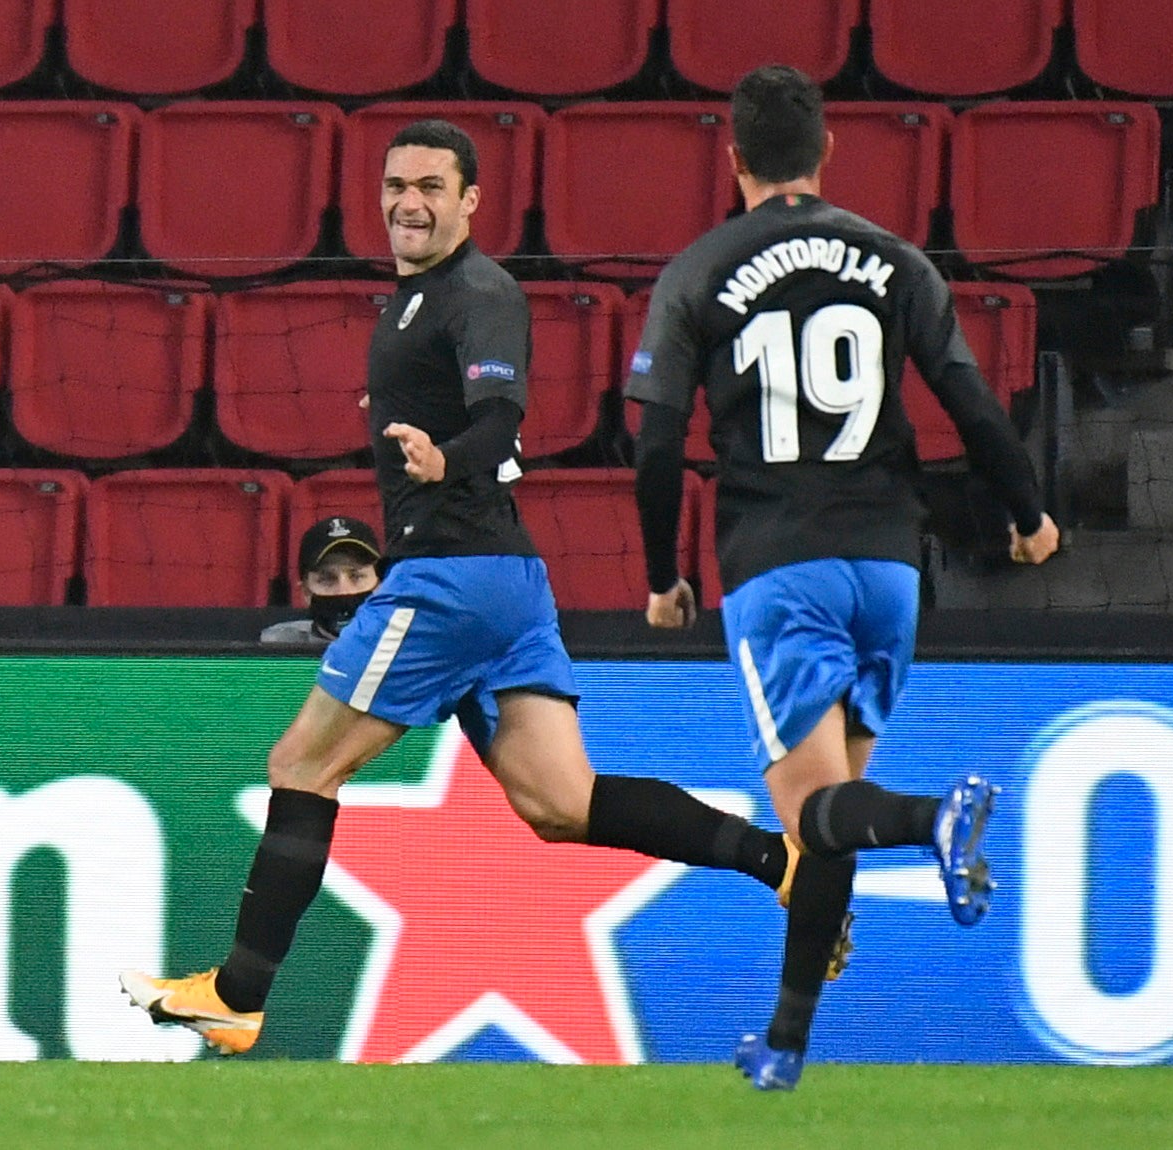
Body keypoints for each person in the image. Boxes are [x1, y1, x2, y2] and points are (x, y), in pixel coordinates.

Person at [121, 119, 801, 1056]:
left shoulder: (479, 292)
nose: (409, 201)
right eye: (397, 184)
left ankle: (237, 995)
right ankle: (779, 858)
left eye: (432, 187)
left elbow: (502, 417)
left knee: (302, 765)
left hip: (445, 576)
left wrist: (446, 456)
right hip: (507, 584)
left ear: (471, 201)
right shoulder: (416, 303)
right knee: (562, 804)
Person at [626, 65, 1060, 1091]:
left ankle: (934, 821)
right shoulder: (895, 259)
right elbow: (969, 400)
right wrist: (1030, 511)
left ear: (732, 159)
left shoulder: (699, 268)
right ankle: (785, 1038)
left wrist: (662, 576)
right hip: (891, 566)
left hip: (782, 561)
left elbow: (654, 446)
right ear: (826, 156)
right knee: (832, 807)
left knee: (810, 809)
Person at [259, 516, 382, 646]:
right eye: (327, 579)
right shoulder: (277, 650)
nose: (344, 591)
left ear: (382, 585)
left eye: (356, 576)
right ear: (306, 592)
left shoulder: (404, 648)